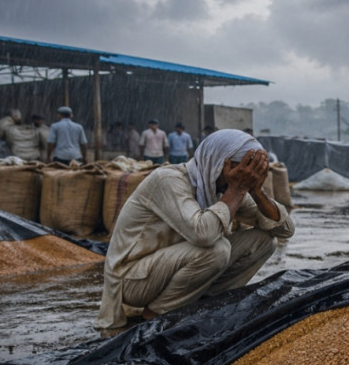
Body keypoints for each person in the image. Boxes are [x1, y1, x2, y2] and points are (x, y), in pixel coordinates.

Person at [94, 129, 296, 330]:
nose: (244, 177)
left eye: (250, 174)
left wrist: (257, 191)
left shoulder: (222, 187)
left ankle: (202, 303)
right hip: (132, 280)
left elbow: (285, 230)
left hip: (170, 267)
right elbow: (204, 235)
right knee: (217, 249)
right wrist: (237, 189)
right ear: (219, 162)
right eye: (240, 170)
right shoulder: (169, 180)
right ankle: (155, 314)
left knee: (264, 241)